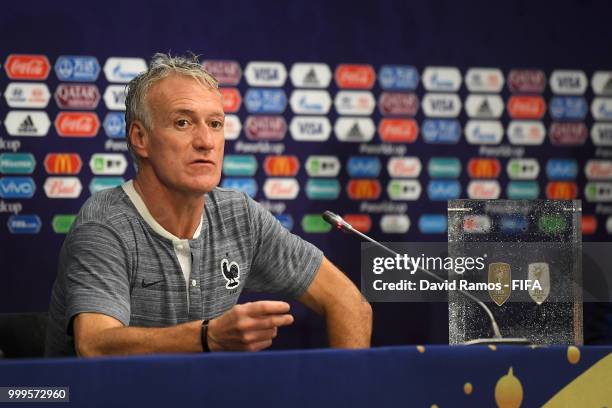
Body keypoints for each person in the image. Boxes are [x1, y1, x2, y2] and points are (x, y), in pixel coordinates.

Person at [44, 53, 372, 357]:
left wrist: (347, 395)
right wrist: (207, 337)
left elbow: (348, 302)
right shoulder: (105, 224)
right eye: (183, 123)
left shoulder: (238, 216)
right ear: (140, 138)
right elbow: (95, 345)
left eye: (215, 124)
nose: (206, 141)